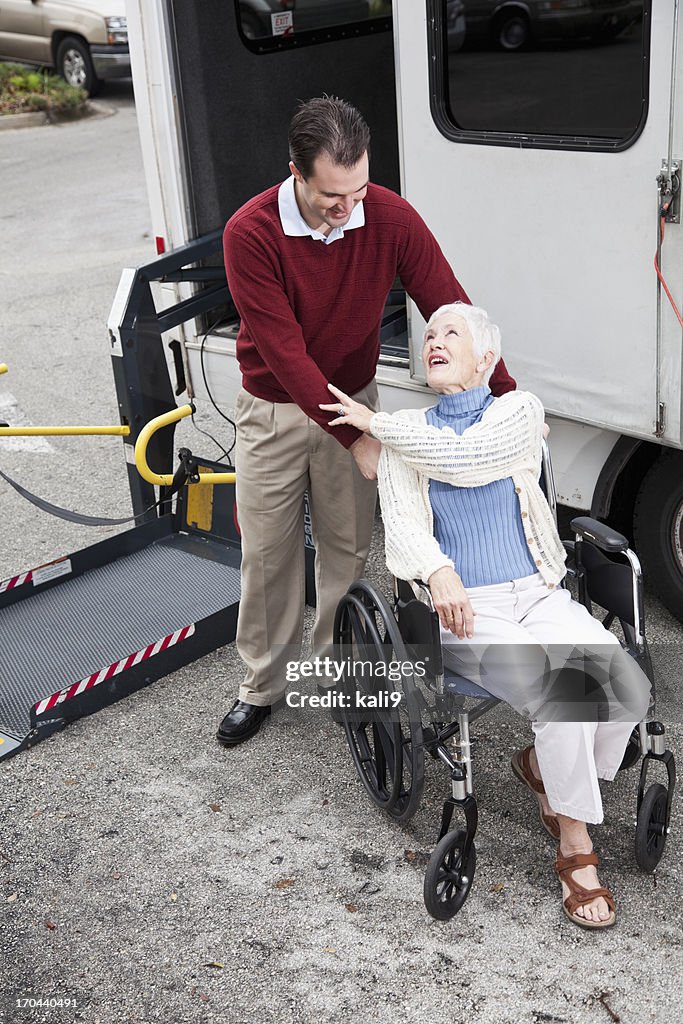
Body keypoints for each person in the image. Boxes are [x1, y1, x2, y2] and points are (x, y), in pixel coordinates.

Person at [320, 301, 651, 930]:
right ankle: (575, 847)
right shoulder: (405, 430)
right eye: (429, 334)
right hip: (463, 612)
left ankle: (549, 776)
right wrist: (437, 571)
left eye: (452, 334)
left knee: (627, 684)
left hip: (537, 593)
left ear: (487, 359)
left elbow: (466, 457)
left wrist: (378, 426)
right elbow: (407, 525)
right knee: (566, 693)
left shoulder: (517, 412)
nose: (434, 341)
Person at [217, 97, 516, 746]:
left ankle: (334, 671)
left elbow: (448, 306)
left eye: (357, 190)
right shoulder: (250, 234)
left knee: (347, 546)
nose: (347, 207)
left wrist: (508, 402)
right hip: (273, 407)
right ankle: (261, 686)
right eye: (331, 195)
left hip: (354, 396)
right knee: (267, 555)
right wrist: (355, 439)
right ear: (293, 172)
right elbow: (286, 355)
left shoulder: (387, 215)